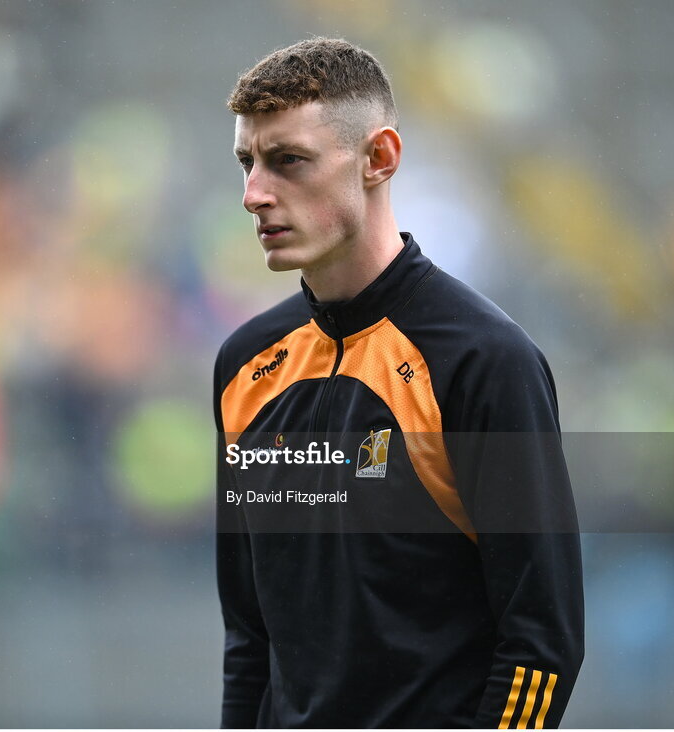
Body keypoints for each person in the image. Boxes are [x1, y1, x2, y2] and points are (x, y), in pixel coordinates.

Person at [213, 38, 584, 728]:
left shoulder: (485, 362)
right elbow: (250, 637)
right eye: (247, 162)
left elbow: (543, 643)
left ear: (378, 159)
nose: (254, 194)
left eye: (288, 160)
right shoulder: (243, 365)